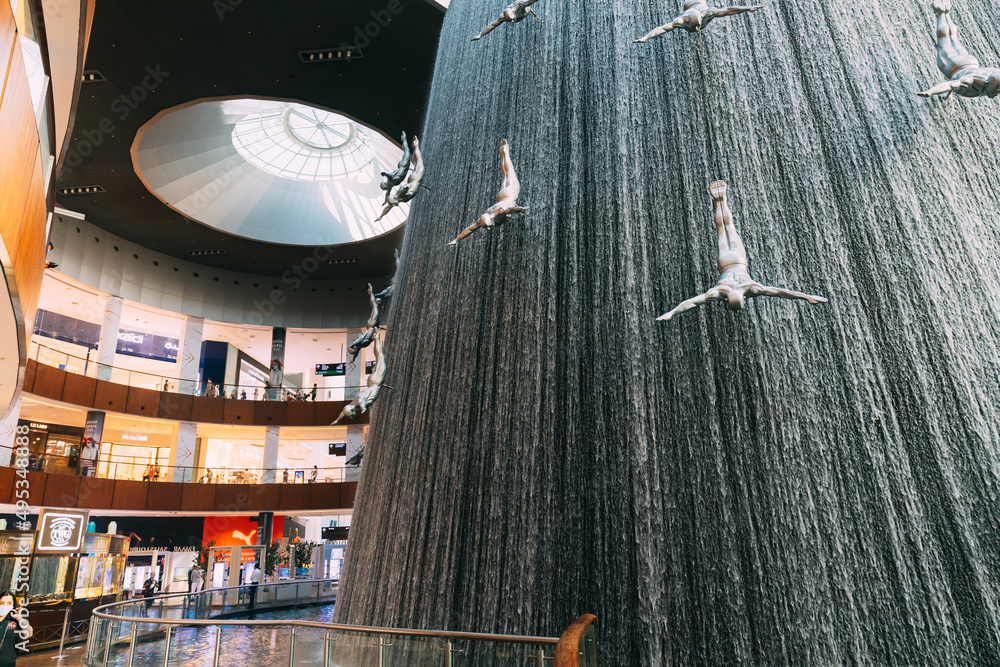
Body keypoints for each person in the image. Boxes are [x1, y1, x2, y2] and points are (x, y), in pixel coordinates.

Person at [657, 181, 827, 321]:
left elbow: (780, 292)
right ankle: (719, 201)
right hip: (724, 263)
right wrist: (671, 313)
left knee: (728, 228)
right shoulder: (719, 292)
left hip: (738, 260)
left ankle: (721, 201)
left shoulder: (752, 288)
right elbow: (692, 302)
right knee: (722, 230)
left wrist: (806, 296)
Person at [447, 140, 528, 247]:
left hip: (510, 194)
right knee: (505, 174)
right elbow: (469, 229)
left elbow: (509, 210)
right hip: (501, 197)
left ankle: (505, 152)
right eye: (487, 227)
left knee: (509, 172)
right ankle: (503, 154)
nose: (489, 229)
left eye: (488, 226)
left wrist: (520, 209)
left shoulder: (496, 213)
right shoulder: (483, 219)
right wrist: (456, 240)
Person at [919, 0, 1000, 99]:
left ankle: (945, 12)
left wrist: (948, 94)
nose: (997, 93)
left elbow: (954, 84)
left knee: (952, 38)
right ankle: (940, 12)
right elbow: (950, 85)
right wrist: (930, 92)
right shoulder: (972, 81)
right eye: (995, 89)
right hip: (952, 66)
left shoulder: (994, 75)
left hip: (970, 63)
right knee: (944, 40)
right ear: (987, 84)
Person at [634, 0, 763, 42]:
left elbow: (728, 10)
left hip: (700, 3)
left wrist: (748, 8)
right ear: (687, 22)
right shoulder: (680, 21)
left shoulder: (709, 13)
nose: (696, 29)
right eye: (694, 26)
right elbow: (662, 28)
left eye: (698, 26)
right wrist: (645, 38)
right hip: (689, 4)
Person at [471, 0, 542, 41]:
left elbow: (492, 25)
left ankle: (510, 15)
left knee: (520, 4)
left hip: (516, 15)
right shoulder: (520, 4)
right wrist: (480, 35)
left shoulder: (520, 4)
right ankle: (510, 15)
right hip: (517, 14)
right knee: (520, 4)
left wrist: (480, 35)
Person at [0, 593, 32, 665]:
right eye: (2, 603)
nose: (5, 606)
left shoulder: (15, 620)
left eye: (9, 603)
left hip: (8, 662)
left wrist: (20, 619)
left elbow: (29, 634)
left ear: (13, 605)